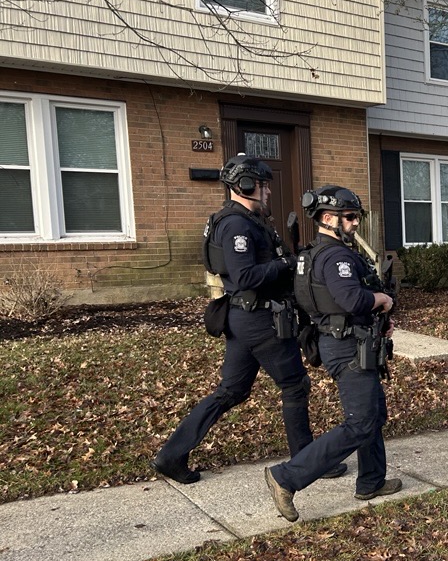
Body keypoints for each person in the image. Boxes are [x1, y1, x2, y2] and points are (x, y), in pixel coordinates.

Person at [151, 154, 346, 484]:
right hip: (259, 319)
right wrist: (289, 263)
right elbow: (245, 276)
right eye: (263, 185)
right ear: (244, 185)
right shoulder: (236, 225)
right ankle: (307, 462)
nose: (267, 191)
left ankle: (171, 455)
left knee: (232, 390)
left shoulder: (246, 219)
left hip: (246, 318)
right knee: (295, 386)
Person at [264, 184, 401, 522]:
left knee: (373, 414)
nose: (355, 223)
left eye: (356, 217)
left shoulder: (310, 254)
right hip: (347, 347)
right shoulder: (336, 256)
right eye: (350, 217)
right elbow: (352, 299)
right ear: (329, 218)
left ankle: (371, 481)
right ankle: (286, 477)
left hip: (339, 340)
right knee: (361, 422)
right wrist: (382, 300)